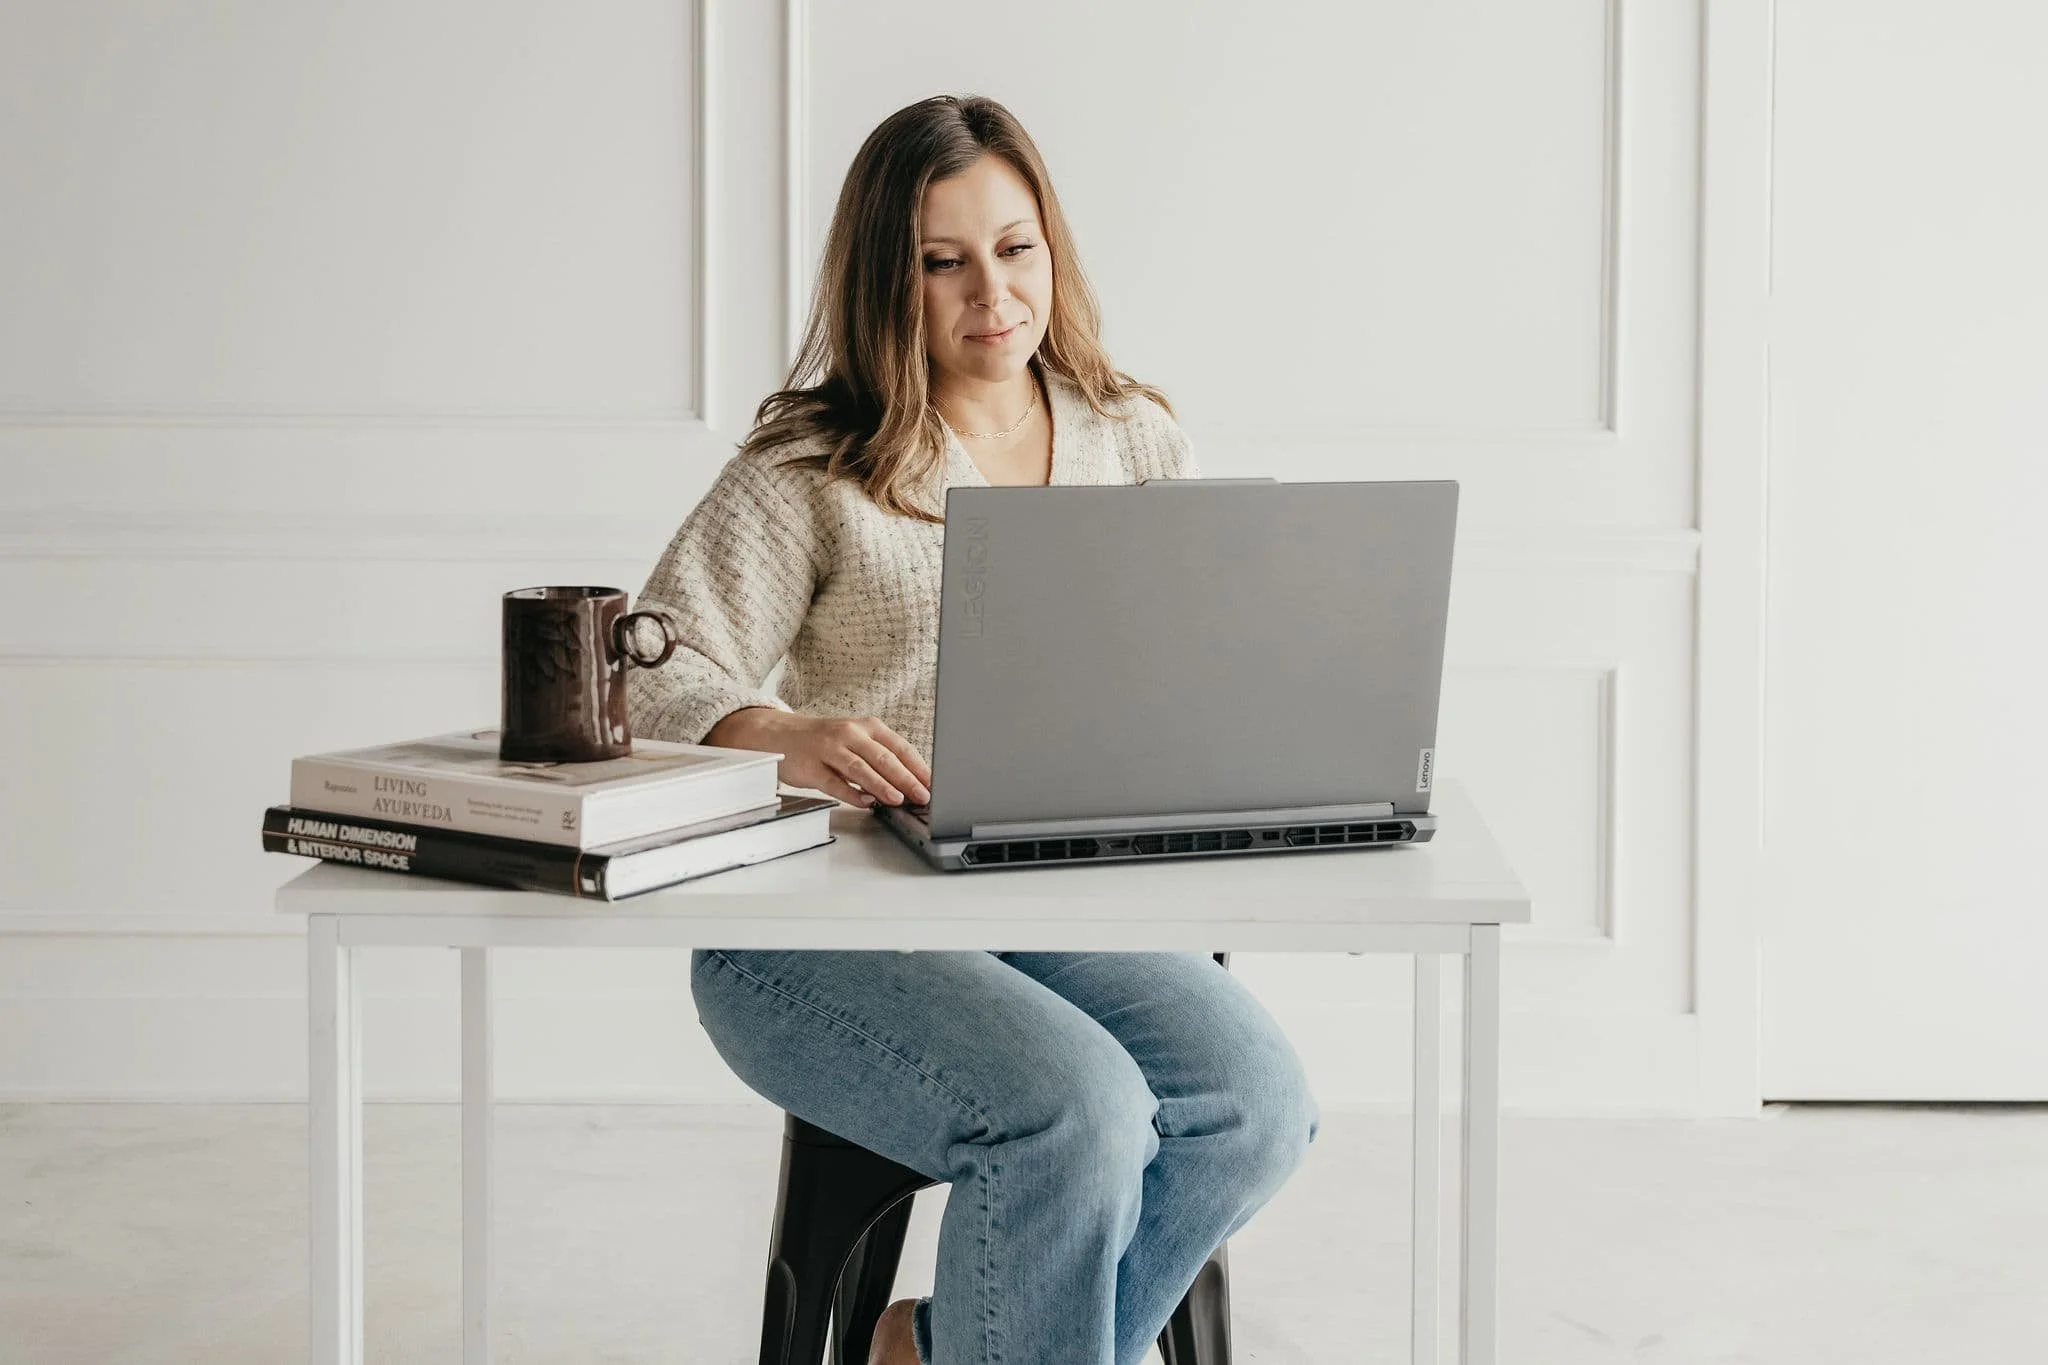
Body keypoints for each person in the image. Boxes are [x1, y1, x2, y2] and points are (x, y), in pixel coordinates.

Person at [627, 93, 1320, 1365]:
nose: (988, 293)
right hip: (821, 934)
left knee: (1255, 1106)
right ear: (884, 283)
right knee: (1080, 1113)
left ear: (1051, 246)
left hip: (1052, 907)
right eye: (939, 262)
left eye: (1013, 249)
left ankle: (938, 1349)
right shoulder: (813, 465)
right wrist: (770, 726)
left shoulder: (1132, 437)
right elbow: (646, 668)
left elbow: (1178, 677)